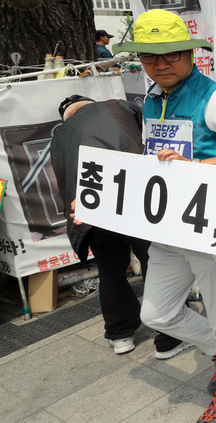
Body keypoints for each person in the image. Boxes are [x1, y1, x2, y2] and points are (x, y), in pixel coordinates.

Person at [114, 9, 216, 423]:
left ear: (191, 54)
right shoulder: (150, 97)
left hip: (211, 221)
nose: (161, 64)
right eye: (149, 57)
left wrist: (199, 163)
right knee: (157, 311)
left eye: (171, 55)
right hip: (168, 225)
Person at [51, 96, 188, 359]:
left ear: (66, 117)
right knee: (155, 262)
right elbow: (144, 135)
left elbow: (64, 180)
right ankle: (170, 336)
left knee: (110, 271)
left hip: (95, 210)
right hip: (135, 196)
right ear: (91, 103)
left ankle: (120, 333)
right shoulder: (116, 106)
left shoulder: (60, 136)